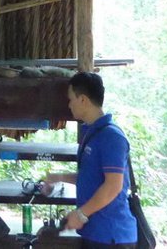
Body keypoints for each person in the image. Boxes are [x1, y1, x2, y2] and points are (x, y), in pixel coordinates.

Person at [43, 72, 137, 248]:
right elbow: (92, 177)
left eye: (71, 99)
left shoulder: (111, 136)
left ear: (83, 100)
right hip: (95, 232)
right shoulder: (91, 133)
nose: (69, 105)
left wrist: (81, 214)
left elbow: (113, 186)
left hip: (111, 235)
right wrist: (58, 177)